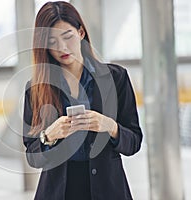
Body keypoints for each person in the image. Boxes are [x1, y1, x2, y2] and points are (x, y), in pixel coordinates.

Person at [22, 1, 143, 200]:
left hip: (108, 190)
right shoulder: (36, 89)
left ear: (80, 33)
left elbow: (134, 142)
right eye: (52, 42)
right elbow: (32, 157)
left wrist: (109, 126)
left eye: (67, 36)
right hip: (59, 192)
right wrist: (49, 136)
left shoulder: (116, 78)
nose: (62, 47)